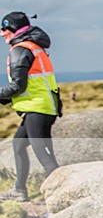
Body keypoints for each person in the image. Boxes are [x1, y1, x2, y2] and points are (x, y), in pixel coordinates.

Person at [0, 12, 60, 202]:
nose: (2, 33)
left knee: (47, 159)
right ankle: (19, 190)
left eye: (4, 28)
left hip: (38, 109)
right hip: (38, 107)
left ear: (14, 29)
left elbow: (18, 86)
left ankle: (60, 199)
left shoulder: (20, 49)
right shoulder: (33, 46)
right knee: (18, 145)